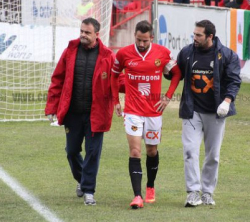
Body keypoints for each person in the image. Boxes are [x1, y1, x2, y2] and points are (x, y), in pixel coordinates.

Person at [45, 18, 119, 206]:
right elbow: (57, 79)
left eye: (87, 32)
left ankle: (88, 192)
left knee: (93, 152)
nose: (83, 35)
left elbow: (118, 81)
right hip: (73, 113)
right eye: (81, 31)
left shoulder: (108, 56)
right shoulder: (70, 52)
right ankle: (81, 180)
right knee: (71, 151)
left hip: (97, 114)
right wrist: (52, 107)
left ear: (97, 34)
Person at [111, 20, 182, 209]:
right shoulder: (124, 53)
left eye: (145, 41)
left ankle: (150, 186)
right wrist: (116, 101)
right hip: (133, 111)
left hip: (153, 112)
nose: (141, 44)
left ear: (151, 37)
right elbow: (114, 75)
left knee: (152, 151)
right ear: (134, 36)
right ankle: (137, 196)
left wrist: (167, 97)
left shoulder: (163, 53)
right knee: (135, 151)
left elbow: (176, 73)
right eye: (138, 40)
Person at [170, 20, 241, 207]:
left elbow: (234, 81)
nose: (195, 38)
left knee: (213, 155)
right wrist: (167, 70)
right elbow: (175, 73)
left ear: (210, 36)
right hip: (192, 111)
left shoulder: (227, 55)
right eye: (194, 34)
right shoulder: (186, 52)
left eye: (199, 35)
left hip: (216, 113)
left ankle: (207, 192)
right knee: (189, 151)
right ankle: (193, 192)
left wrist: (227, 101)